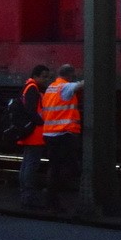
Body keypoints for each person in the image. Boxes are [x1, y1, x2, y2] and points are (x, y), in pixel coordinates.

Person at [41, 63, 84, 211]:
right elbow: (80, 85)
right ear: (69, 75)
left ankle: (51, 199)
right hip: (62, 134)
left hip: (49, 133)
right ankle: (53, 197)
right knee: (69, 167)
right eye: (73, 76)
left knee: (55, 167)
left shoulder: (51, 87)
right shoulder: (65, 87)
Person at [18, 64, 52, 209]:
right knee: (31, 164)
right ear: (36, 76)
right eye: (44, 77)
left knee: (27, 163)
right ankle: (28, 196)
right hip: (35, 134)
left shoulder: (29, 87)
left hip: (31, 133)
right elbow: (31, 111)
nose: (46, 80)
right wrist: (41, 121)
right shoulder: (33, 89)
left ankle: (26, 194)